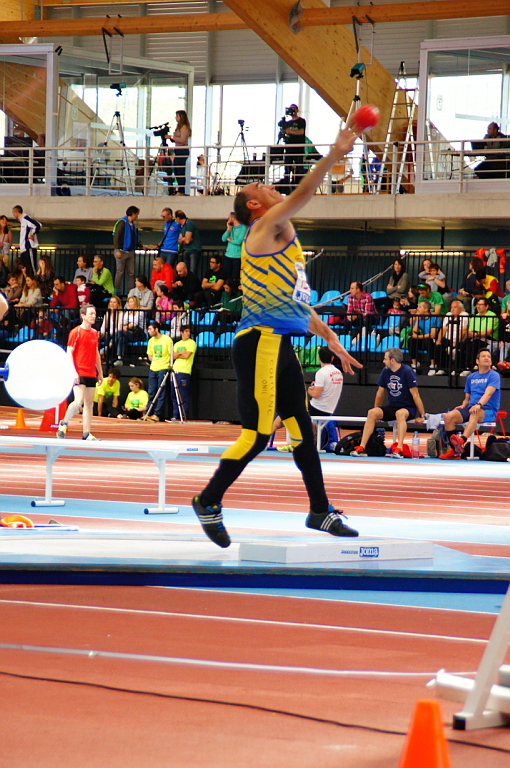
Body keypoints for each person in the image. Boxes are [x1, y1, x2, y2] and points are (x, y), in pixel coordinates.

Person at [191, 121, 362, 548]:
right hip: (259, 342)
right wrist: (334, 153)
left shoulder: (285, 241)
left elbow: (297, 303)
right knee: (256, 434)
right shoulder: (263, 227)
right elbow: (304, 193)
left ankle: (319, 510)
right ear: (255, 204)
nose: (271, 186)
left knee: (301, 426)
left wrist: (330, 337)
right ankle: (208, 500)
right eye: (263, 187)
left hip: (278, 343)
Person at [352, 347, 426, 459]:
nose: (383, 361)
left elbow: (415, 395)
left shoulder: (407, 371)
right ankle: (362, 447)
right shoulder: (385, 371)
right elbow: (380, 393)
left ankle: (399, 449)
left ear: (392, 360)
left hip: (408, 408)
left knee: (400, 414)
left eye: (385, 359)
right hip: (393, 407)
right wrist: (376, 409)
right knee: (372, 413)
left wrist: (422, 415)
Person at [439, 349, 501, 459]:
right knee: (448, 416)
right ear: (477, 361)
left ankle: (461, 440)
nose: (486, 358)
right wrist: (463, 405)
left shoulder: (494, 375)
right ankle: (455, 451)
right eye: (483, 356)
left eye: (488, 357)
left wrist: (478, 404)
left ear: (491, 362)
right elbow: (466, 398)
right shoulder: (471, 377)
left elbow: (488, 394)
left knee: (474, 413)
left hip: (488, 410)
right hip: (471, 408)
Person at [57, 303, 103, 441]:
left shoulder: (94, 333)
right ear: (83, 316)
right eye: (91, 314)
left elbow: (96, 353)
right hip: (80, 371)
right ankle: (64, 423)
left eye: (94, 314)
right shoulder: (76, 332)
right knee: (78, 402)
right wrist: (73, 372)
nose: (93, 316)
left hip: (91, 372)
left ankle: (86, 433)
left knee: (89, 404)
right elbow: (69, 352)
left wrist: (100, 372)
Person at [308, 347, 344, 452]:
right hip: (329, 409)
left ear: (319, 358)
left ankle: (270, 435)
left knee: (287, 412)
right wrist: (317, 385)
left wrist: (309, 390)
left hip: (317, 408)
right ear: (332, 358)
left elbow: (315, 394)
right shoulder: (338, 373)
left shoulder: (321, 372)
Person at [460, 297, 498, 374]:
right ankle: (459, 367)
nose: (478, 306)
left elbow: (488, 332)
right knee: (464, 344)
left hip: (489, 340)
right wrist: (473, 334)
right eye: (477, 304)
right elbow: (470, 331)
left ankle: (470, 367)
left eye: (481, 305)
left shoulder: (492, 316)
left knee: (473, 343)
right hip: (476, 338)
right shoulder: (475, 316)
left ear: (486, 306)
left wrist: (476, 334)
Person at [145, 320, 173, 423]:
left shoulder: (167, 340)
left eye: (150, 329)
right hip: (153, 368)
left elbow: (171, 354)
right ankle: (148, 412)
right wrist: (155, 360)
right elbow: (150, 355)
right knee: (151, 391)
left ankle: (157, 414)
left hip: (163, 367)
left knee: (161, 391)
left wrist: (166, 363)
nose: (148, 331)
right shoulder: (151, 341)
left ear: (156, 329)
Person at [434, 299, 469, 375]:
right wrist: (438, 340)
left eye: (455, 307)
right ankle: (442, 368)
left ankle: (457, 369)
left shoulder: (464, 315)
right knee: (438, 346)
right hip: (448, 339)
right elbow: (443, 329)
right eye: (451, 307)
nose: (452, 309)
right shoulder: (448, 315)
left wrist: (456, 342)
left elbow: (464, 330)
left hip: (460, 340)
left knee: (458, 348)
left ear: (461, 309)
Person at [408, 299, 442, 375]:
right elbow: (414, 332)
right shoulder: (420, 318)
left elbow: (432, 335)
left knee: (428, 340)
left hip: (433, 341)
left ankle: (433, 365)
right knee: (411, 340)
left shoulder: (434, 318)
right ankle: (414, 364)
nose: (417, 309)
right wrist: (417, 320)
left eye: (420, 307)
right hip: (422, 340)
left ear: (426, 309)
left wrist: (418, 336)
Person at [112, 205, 141, 294]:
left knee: (131, 273)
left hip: (130, 251)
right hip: (121, 250)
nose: (137, 216)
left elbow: (133, 238)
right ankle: (117, 291)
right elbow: (117, 236)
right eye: (136, 214)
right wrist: (117, 249)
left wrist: (140, 246)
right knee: (120, 272)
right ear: (133, 214)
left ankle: (130, 292)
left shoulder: (132, 225)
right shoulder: (122, 222)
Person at [171, 325, 196, 420]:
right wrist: (181, 353)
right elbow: (172, 356)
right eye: (186, 331)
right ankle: (175, 415)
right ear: (181, 332)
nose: (188, 333)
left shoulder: (191, 343)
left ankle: (184, 415)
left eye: (189, 331)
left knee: (183, 394)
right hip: (175, 370)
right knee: (174, 394)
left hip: (184, 371)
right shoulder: (177, 344)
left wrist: (178, 354)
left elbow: (186, 356)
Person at [114, 295, 147, 366]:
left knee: (120, 332)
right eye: (128, 302)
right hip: (128, 333)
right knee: (121, 338)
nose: (129, 303)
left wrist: (125, 327)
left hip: (139, 334)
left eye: (131, 302)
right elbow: (122, 323)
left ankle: (111, 342)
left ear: (135, 303)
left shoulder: (140, 312)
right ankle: (120, 359)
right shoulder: (128, 313)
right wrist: (124, 327)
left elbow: (134, 324)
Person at [281, 104, 306, 189]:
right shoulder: (288, 123)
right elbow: (284, 133)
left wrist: (290, 131)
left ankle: (299, 187)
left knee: (299, 169)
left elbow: (301, 132)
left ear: (297, 110)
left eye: (293, 109)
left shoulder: (301, 121)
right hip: (289, 148)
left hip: (298, 148)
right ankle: (287, 187)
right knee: (287, 168)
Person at [12, 205, 41, 276]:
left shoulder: (26, 218)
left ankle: (34, 279)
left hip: (28, 247)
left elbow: (37, 225)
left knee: (31, 267)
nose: (13, 215)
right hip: (24, 248)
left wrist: (32, 234)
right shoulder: (22, 221)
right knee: (26, 268)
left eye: (13, 213)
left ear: (16, 212)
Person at [169, 110, 191, 195]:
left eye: (177, 116)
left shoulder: (184, 127)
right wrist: (172, 138)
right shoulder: (179, 127)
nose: (176, 117)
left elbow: (182, 139)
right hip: (178, 149)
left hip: (182, 150)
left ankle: (182, 190)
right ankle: (180, 188)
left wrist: (172, 137)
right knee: (176, 169)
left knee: (180, 170)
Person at [221, 212, 247, 280]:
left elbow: (239, 241)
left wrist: (230, 240)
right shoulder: (231, 227)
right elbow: (223, 239)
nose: (228, 219)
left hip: (237, 256)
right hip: (228, 255)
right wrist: (228, 229)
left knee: (235, 276)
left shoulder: (243, 228)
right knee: (226, 276)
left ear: (233, 218)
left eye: (229, 218)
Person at [175, 210, 201, 275]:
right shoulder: (183, 226)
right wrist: (185, 238)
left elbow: (187, 241)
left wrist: (184, 239)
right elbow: (179, 241)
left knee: (192, 271)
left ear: (178, 218)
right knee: (186, 271)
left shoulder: (189, 224)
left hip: (194, 250)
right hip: (187, 250)